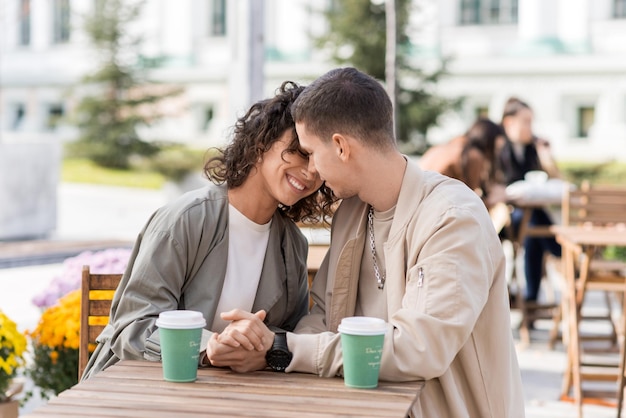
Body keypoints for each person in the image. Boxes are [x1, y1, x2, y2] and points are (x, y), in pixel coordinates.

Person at [207, 68, 525, 417]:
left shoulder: (451, 217)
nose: (311, 169)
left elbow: (420, 349)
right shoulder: (352, 213)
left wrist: (283, 347)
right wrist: (260, 345)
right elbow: (324, 317)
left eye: (311, 152)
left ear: (341, 147)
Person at [81, 81, 335, 379]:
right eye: (299, 151)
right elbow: (132, 326)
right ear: (261, 142)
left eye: (317, 160)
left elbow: (289, 335)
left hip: (229, 395)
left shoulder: (291, 244)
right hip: (138, 387)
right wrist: (207, 347)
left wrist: (263, 350)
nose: (311, 172)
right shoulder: (186, 220)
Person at [497, 97, 562, 304]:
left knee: (534, 226)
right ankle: (562, 254)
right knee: (534, 222)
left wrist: (546, 157)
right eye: (526, 121)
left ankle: (531, 299)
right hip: (504, 216)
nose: (530, 127)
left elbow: (554, 181)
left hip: (530, 215)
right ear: (509, 122)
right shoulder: (499, 149)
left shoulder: (532, 149)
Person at [419, 117, 507, 209]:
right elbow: (468, 202)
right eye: (497, 148)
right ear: (489, 143)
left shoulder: (446, 147)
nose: (497, 153)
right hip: (434, 207)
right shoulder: (472, 156)